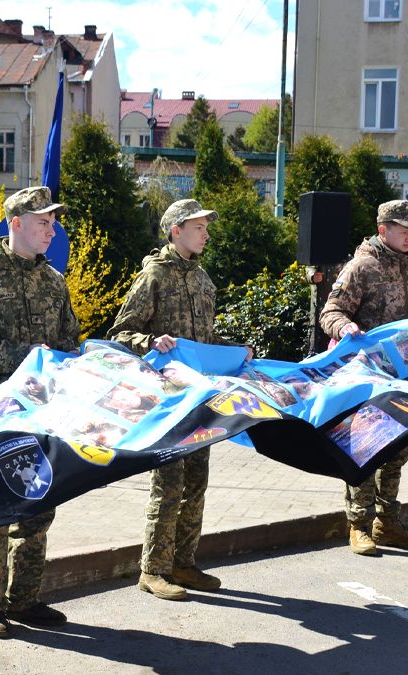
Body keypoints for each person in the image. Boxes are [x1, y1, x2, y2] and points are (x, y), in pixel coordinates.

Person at [0, 185, 79, 639]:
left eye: (53, 221)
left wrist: (64, 363)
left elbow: (69, 345)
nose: (51, 229)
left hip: (43, 413)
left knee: (40, 503)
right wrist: (29, 356)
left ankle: (26, 598)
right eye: (42, 221)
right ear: (16, 223)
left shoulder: (53, 281)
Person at [107, 198, 248, 601]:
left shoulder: (203, 279)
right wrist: (150, 341)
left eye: (206, 227)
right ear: (175, 231)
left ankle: (184, 563)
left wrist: (234, 350)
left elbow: (203, 341)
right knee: (168, 486)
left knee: (196, 483)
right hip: (168, 403)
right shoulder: (154, 275)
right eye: (198, 227)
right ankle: (153, 570)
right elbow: (122, 332)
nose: (206, 233)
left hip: (201, 401)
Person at [319, 199, 408, 556]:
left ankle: (387, 522)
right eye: (404, 230)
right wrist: (345, 325)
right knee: (365, 449)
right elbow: (330, 311)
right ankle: (359, 525)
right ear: (384, 230)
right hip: (366, 376)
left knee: (397, 448)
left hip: (402, 376)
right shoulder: (361, 267)